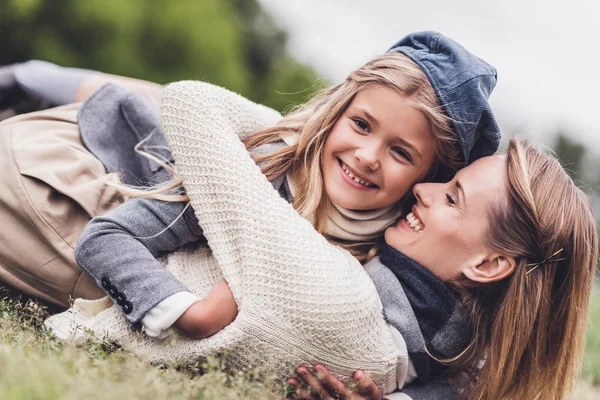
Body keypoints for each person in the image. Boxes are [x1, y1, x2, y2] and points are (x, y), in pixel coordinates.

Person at [4, 31, 500, 398]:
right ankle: (24, 77)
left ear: (426, 179)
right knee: (115, 99)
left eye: (401, 152)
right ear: (336, 113)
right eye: (362, 124)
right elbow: (111, 236)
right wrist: (182, 310)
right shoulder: (265, 179)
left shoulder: (390, 247)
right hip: (93, 167)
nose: (369, 156)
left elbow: (452, 370)